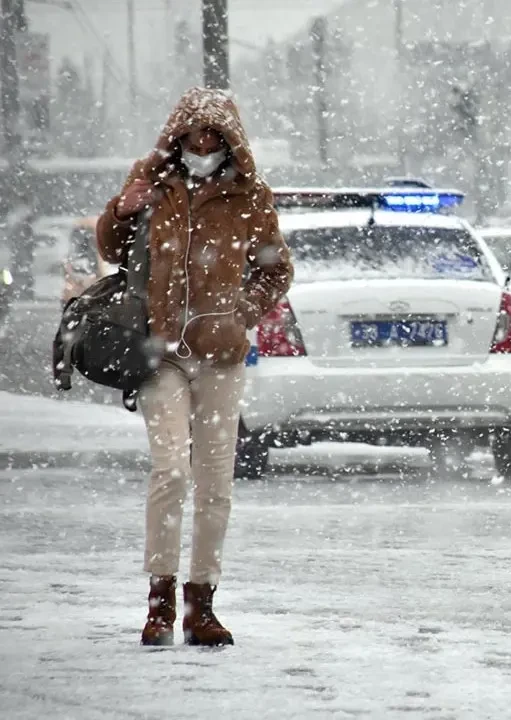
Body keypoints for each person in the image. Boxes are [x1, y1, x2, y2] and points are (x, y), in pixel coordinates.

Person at [96, 87, 293, 647]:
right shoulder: (152, 182)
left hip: (221, 356)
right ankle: (158, 602)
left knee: (215, 483)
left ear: (230, 141)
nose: (202, 148)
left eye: (213, 139)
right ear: (177, 137)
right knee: (171, 472)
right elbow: (111, 249)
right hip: (160, 353)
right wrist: (121, 210)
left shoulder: (249, 195)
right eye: (193, 137)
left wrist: (243, 312)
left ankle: (200, 604)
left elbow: (275, 270)